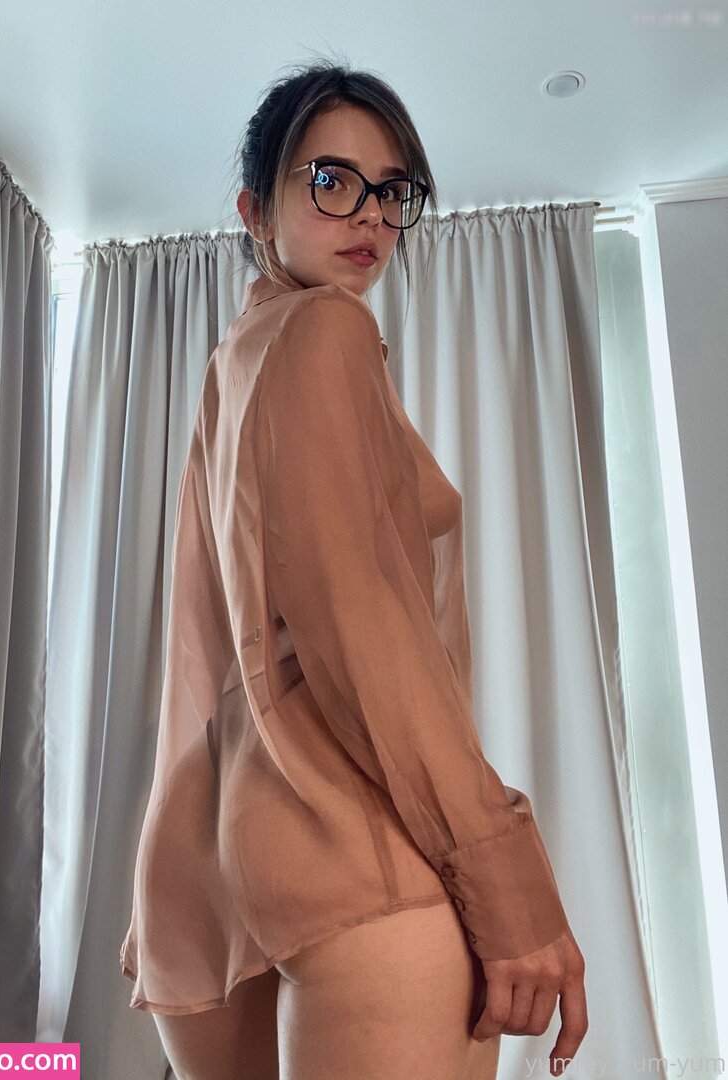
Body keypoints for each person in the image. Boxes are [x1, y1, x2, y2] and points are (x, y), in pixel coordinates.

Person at [120, 59, 588, 1080]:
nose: (369, 212)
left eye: (391, 188)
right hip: (354, 846)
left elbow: (207, 658)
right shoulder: (327, 329)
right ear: (256, 209)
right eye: (329, 180)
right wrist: (505, 881)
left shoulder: (233, 367)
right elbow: (366, 630)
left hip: (212, 872)